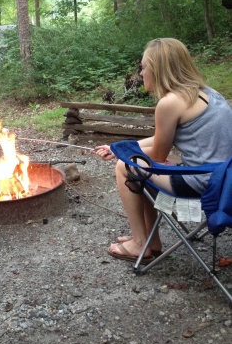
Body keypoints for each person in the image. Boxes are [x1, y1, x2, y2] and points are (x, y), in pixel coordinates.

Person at [93, 38, 232, 263]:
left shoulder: (170, 103)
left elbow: (157, 156)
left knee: (125, 167)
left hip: (203, 181)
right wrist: (117, 147)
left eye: (144, 67)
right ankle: (152, 239)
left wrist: (122, 156)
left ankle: (140, 243)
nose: (141, 73)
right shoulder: (207, 92)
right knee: (138, 166)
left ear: (158, 69)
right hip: (223, 175)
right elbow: (161, 141)